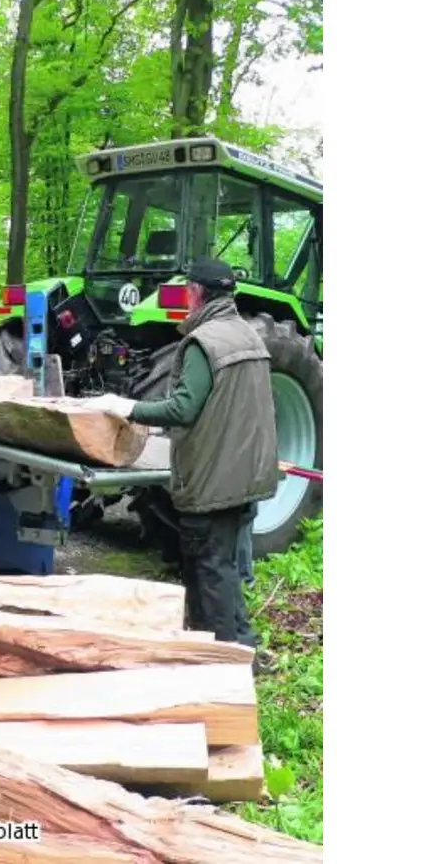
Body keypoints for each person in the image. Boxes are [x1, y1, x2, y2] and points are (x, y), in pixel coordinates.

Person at [82, 259, 279, 647]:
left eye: (188, 291)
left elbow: (183, 409)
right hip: (247, 474)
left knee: (209, 573)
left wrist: (126, 407)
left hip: (213, 480)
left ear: (196, 292)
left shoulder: (202, 342)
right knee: (225, 568)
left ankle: (221, 657)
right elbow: (228, 404)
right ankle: (243, 647)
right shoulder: (249, 334)